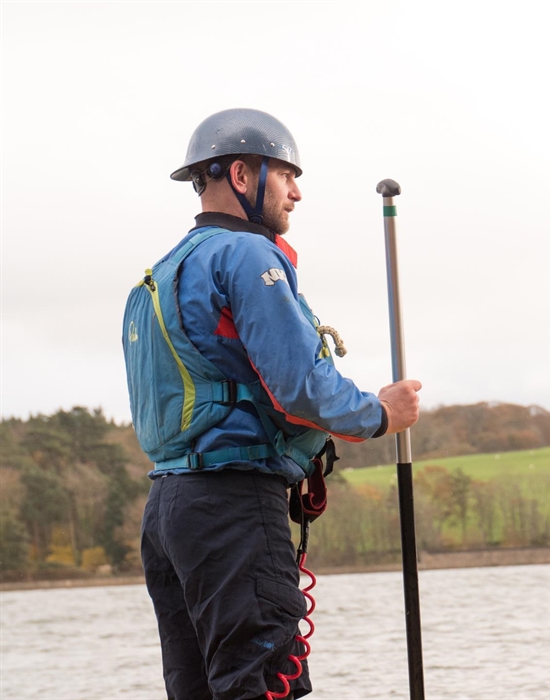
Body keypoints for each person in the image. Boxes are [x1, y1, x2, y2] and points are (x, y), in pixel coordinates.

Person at [122, 108, 421, 700]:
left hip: (169, 512)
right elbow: (300, 385)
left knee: (199, 688)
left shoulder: (163, 271)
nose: (297, 193)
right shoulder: (249, 257)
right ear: (241, 174)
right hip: (231, 505)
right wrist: (381, 412)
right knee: (259, 685)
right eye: (286, 176)